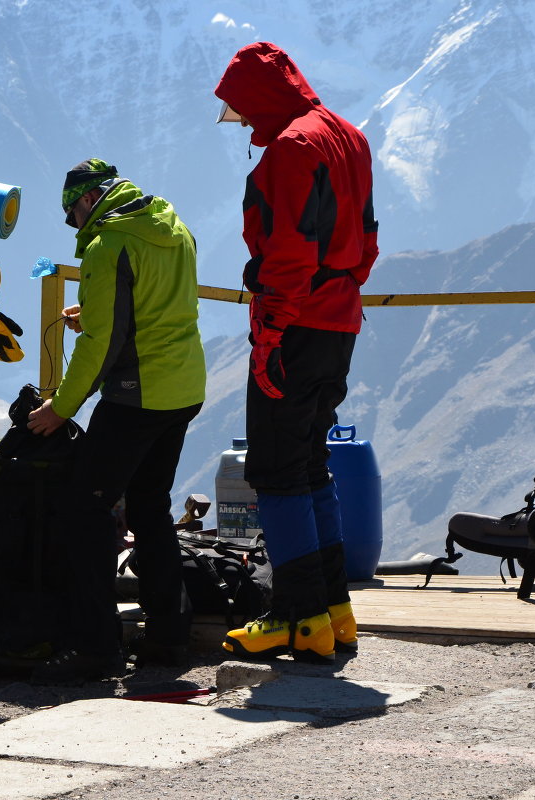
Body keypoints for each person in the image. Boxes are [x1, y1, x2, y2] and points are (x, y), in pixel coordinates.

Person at [214, 42, 378, 662]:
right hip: (340, 321)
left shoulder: (291, 148)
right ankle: (334, 611)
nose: (241, 121)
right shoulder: (348, 135)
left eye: (241, 106)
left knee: (275, 470)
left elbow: (287, 251)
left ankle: (294, 617)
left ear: (262, 95)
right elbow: (366, 238)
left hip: (296, 324)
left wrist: (272, 335)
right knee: (311, 463)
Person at [26, 159, 206, 682]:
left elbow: (100, 345)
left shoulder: (108, 246)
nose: (73, 227)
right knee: (150, 508)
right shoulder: (174, 226)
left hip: (136, 397)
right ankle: (169, 641)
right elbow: (158, 304)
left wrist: (59, 409)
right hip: (184, 389)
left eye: (70, 216)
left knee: (85, 513)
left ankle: (95, 648)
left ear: (87, 201)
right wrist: (100, 308)